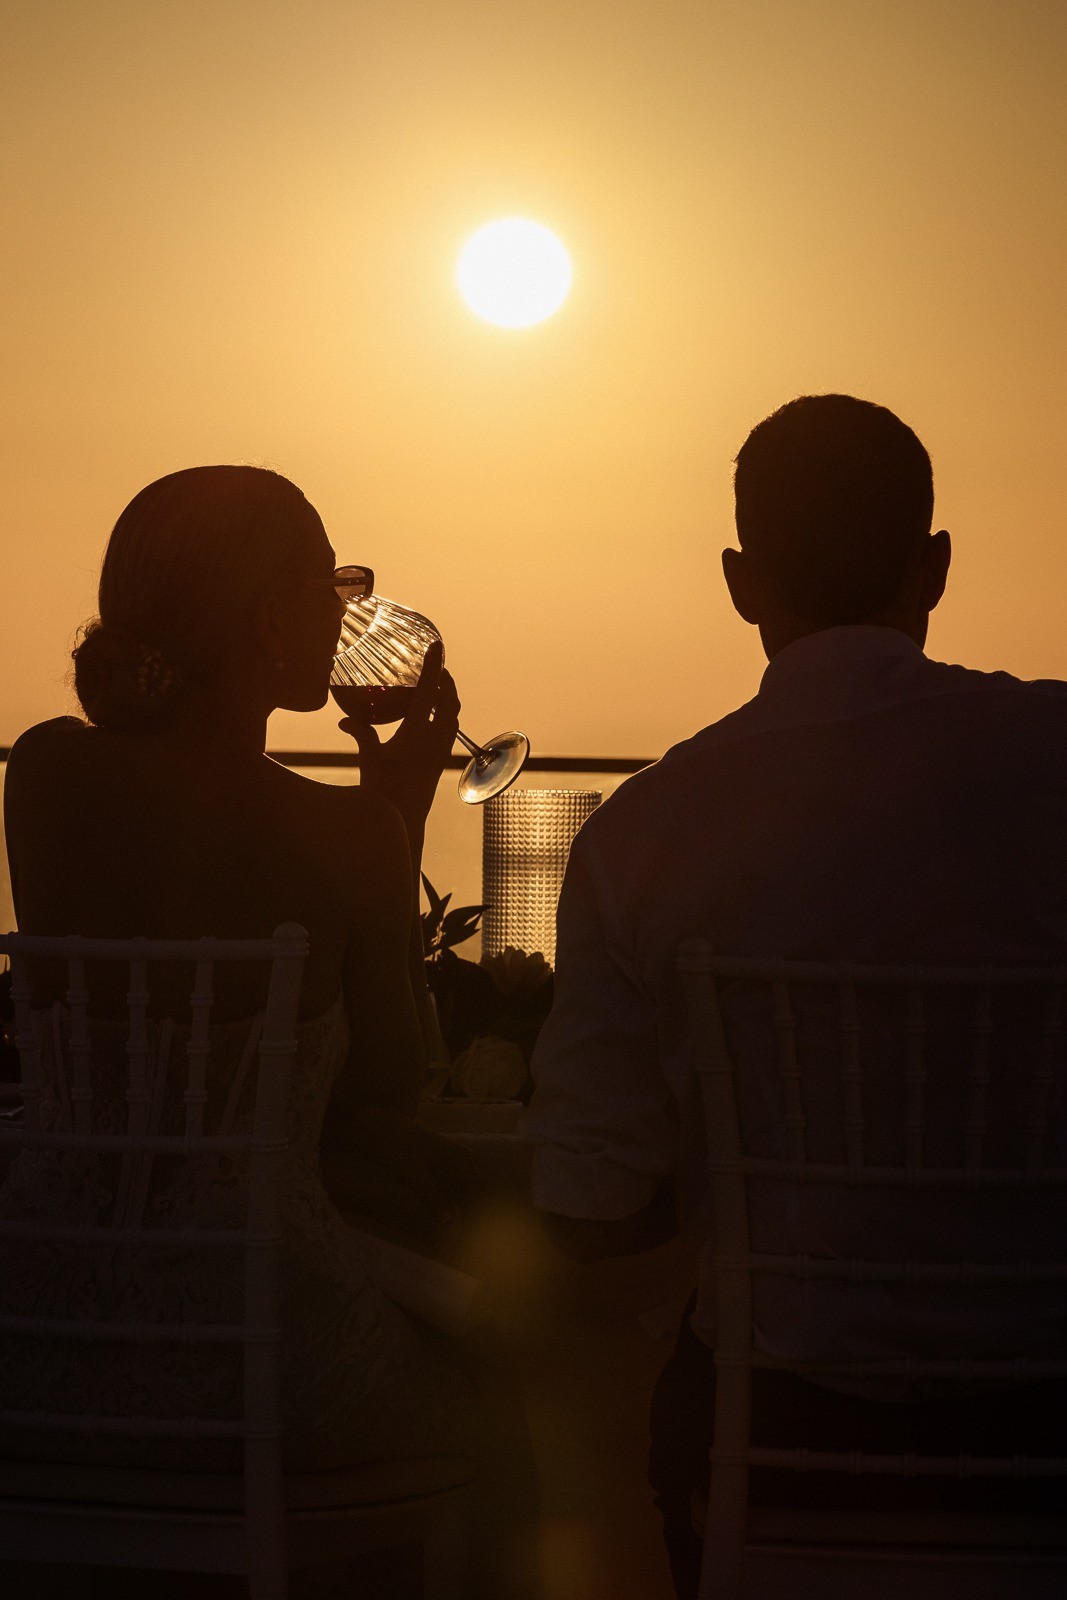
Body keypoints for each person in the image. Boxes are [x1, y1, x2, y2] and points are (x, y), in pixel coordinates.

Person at [521, 395, 1067, 1595]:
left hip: (772, 1441)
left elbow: (585, 1208)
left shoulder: (642, 833)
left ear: (737, 579)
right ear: (931, 566)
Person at [1, 465, 537, 1596]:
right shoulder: (345, 836)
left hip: (48, 1330)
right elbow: (391, 1081)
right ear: (268, 619)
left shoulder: (44, 776)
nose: (349, 607)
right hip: (267, 1354)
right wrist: (393, 818)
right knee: (520, 1386)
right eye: (334, 581)